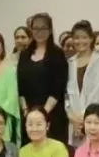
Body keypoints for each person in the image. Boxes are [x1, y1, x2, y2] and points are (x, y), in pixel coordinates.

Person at [16, 13, 70, 145]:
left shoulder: (57, 54)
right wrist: (26, 111)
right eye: (36, 28)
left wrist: (43, 115)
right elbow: (20, 86)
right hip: (28, 115)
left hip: (52, 114)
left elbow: (58, 88)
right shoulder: (24, 54)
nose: (39, 32)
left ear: (50, 30)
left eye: (43, 28)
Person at [66, 21, 99, 147]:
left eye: (84, 37)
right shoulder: (70, 62)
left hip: (94, 119)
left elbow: (98, 93)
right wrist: (73, 118)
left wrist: (84, 119)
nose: (80, 41)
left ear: (91, 39)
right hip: (74, 122)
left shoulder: (98, 61)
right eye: (77, 38)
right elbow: (66, 95)